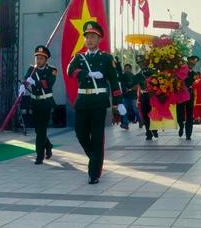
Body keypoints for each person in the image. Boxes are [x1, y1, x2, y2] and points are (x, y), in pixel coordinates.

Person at [67, 21, 126, 184]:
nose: (90, 40)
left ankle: (94, 172)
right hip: (83, 101)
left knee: (97, 137)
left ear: (99, 39)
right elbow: (69, 71)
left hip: (99, 102)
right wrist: (88, 74)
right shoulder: (79, 57)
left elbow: (114, 82)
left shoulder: (106, 58)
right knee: (80, 133)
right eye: (87, 37)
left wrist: (118, 102)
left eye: (93, 37)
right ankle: (95, 158)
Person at [24, 45, 56, 165]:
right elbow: (25, 79)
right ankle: (48, 145)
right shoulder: (32, 69)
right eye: (37, 58)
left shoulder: (51, 70)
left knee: (42, 129)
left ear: (46, 60)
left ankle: (39, 155)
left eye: (42, 58)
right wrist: (24, 85)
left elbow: (48, 84)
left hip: (45, 103)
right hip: (35, 103)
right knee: (38, 130)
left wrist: (35, 82)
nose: (39, 60)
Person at [133, 57, 158, 140]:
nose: (141, 64)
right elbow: (134, 85)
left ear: (146, 62)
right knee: (145, 114)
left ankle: (154, 129)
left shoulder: (153, 72)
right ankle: (148, 133)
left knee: (153, 113)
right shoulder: (138, 75)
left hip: (152, 95)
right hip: (144, 96)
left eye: (143, 62)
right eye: (139, 63)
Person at [177, 55, 200, 140]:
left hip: (190, 95)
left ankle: (188, 134)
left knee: (190, 115)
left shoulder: (194, 74)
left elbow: (192, 83)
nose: (192, 65)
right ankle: (181, 126)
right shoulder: (180, 71)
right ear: (187, 62)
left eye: (193, 64)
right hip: (180, 95)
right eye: (190, 63)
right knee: (179, 114)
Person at [120, 63, 141, 130]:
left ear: (130, 69)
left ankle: (140, 120)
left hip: (133, 96)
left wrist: (130, 89)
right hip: (125, 96)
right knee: (124, 110)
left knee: (135, 109)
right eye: (125, 68)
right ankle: (125, 124)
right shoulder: (122, 76)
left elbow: (137, 86)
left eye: (128, 68)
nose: (127, 70)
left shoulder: (134, 76)